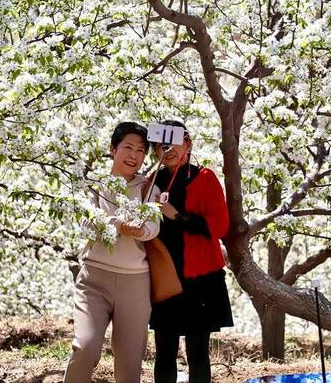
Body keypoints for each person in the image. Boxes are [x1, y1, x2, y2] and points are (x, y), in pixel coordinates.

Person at [64, 121, 160, 383]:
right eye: (127, 147)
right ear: (112, 149)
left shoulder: (148, 188)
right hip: (94, 280)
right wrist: (119, 224)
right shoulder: (93, 184)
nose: (134, 155)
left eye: (141, 150)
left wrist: (140, 230)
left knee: (130, 363)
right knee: (85, 348)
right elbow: (86, 222)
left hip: (136, 283)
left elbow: (153, 226)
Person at [150, 120, 234, 383]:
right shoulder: (151, 183)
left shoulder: (205, 177)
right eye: (160, 145)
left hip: (201, 278)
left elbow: (220, 226)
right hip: (164, 276)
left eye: (174, 141)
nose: (168, 149)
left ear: (188, 142)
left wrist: (177, 216)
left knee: (198, 351)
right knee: (164, 350)